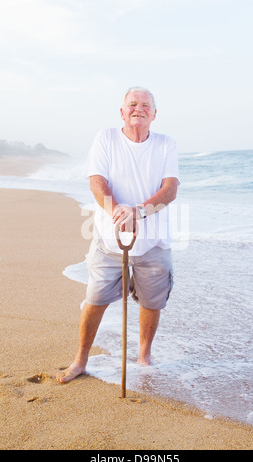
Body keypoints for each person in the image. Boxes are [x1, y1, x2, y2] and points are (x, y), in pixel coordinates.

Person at [56, 87, 180, 383]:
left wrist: (138, 212)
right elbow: (97, 182)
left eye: (145, 105)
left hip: (154, 242)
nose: (139, 109)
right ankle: (80, 360)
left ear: (154, 114)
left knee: (152, 302)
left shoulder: (166, 144)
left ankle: (144, 356)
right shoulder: (106, 138)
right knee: (95, 298)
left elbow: (170, 190)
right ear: (122, 111)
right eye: (132, 104)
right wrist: (117, 212)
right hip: (109, 241)